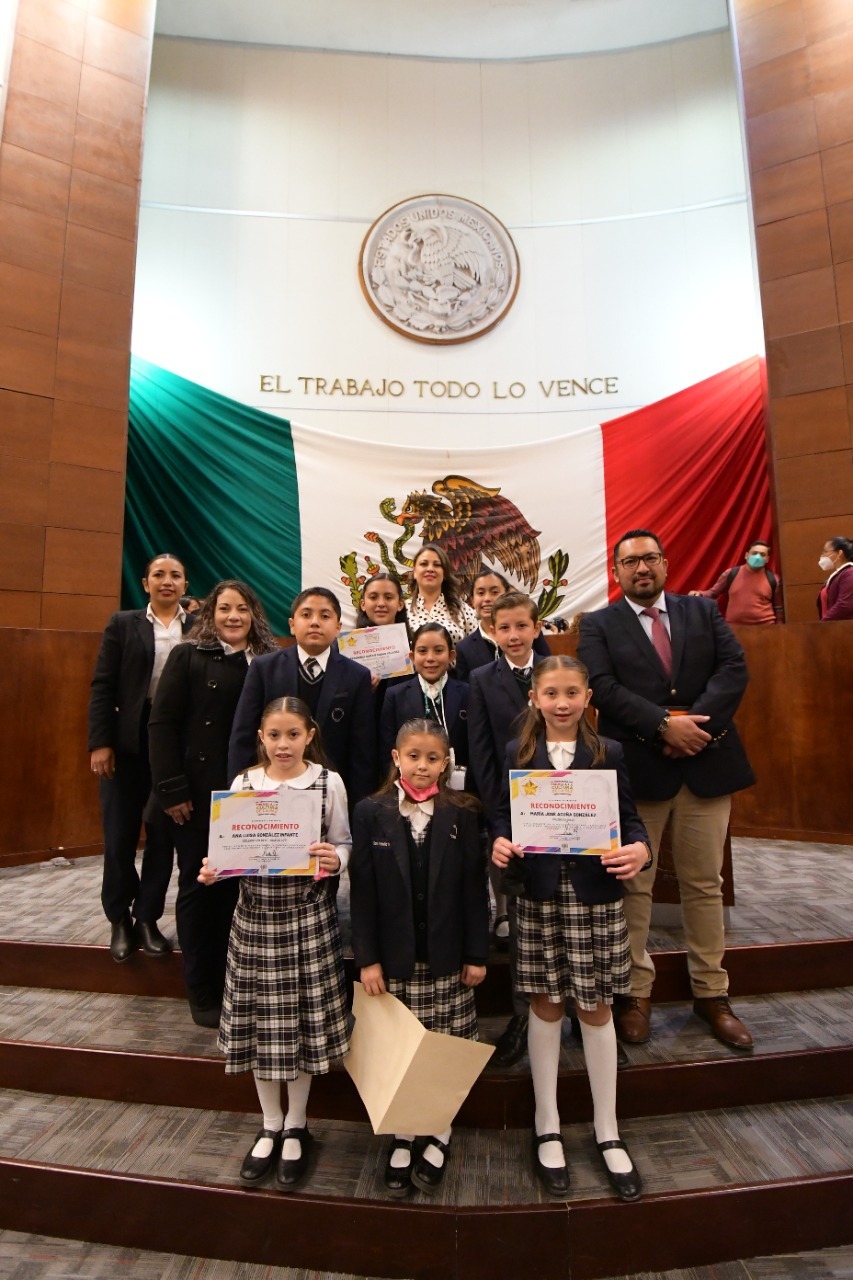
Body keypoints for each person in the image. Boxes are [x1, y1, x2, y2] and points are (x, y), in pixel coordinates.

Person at [578, 530, 755, 1052]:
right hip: (640, 769)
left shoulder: (702, 612)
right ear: (616, 571)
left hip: (707, 759)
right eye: (630, 562)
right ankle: (635, 994)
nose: (641, 569)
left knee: (705, 884)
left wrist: (693, 728)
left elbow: (733, 669)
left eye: (649, 558)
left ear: (665, 563)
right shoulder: (599, 624)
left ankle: (711, 993)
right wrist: (663, 726)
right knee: (636, 887)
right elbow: (603, 689)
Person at [492, 657, 649, 1199]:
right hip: (537, 897)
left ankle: (607, 1128)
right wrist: (499, 840)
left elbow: (631, 822)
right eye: (551, 693)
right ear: (534, 698)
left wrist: (640, 850)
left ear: (588, 699)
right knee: (546, 1003)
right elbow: (500, 816)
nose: (562, 702)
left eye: (572, 693)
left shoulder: (611, 753)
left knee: (596, 1006)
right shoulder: (518, 753)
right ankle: (547, 1122)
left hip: (594, 896)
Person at [199, 697, 351, 1191]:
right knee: (263, 1025)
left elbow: (344, 843)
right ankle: (269, 1123)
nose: (283, 744)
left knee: (301, 1028)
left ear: (310, 736)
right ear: (260, 738)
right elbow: (226, 847)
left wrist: (336, 860)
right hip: (254, 919)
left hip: (307, 918)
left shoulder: (328, 783)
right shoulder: (243, 785)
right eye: (273, 735)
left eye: (292, 735)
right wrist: (212, 866)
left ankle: (297, 1125)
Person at [350, 718, 488, 1196]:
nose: (423, 766)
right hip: (396, 958)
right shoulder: (370, 812)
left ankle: (440, 1129)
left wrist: (476, 952)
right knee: (407, 1047)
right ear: (396, 758)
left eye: (433, 758)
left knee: (445, 1044)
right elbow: (363, 893)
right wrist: (367, 959)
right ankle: (405, 1133)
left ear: (446, 762)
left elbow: (475, 889)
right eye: (414, 756)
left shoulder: (465, 812)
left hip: (449, 956)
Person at [147, 580, 278, 1026]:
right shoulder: (188, 655)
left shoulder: (266, 661)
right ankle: (201, 988)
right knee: (199, 886)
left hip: (251, 795)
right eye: (224, 609)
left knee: (236, 894)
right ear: (210, 614)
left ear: (254, 613)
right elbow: (161, 723)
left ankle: (234, 983)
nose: (233, 617)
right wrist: (171, 789)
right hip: (197, 796)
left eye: (242, 608)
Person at [88, 552, 192, 962]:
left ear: (186, 585)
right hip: (127, 741)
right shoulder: (122, 624)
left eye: (176, 576)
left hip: (172, 744)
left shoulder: (198, 625)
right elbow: (102, 686)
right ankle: (120, 919)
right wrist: (101, 742)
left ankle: (147, 918)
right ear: (146, 583)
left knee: (162, 837)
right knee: (118, 837)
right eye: (159, 575)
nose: (167, 581)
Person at [467, 591, 547, 1066]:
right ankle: (524, 1016)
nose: (514, 635)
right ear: (493, 632)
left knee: (564, 915)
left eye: (522, 626)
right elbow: (481, 756)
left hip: (562, 817)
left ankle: (582, 1013)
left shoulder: (559, 671)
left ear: (537, 627)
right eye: (505, 628)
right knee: (522, 922)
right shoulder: (481, 679)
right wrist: (499, 821)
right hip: (512, 819)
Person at [228, 587, 375, 807]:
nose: (315, 622)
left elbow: (362, 750)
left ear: (338, 628)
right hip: (269, 792)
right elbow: (243, 736)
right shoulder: (263, 668)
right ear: (292, 625)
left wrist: (359, 807)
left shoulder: (357, 675)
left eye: (324, 616)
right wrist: (237, 799)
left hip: (331, 795)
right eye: (306, 615)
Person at [379, 623, 469, 776]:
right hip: (408, 786)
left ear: (451, 655)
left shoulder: (468, 693)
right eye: (422, 651)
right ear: (412, 657)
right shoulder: (395, 696)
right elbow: (387, 749)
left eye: (439, 651)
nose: (430, 658)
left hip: (458, 788)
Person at [455, 568, 550, 681]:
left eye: (494, 592)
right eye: (480, 593)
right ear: (472, 600)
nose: (487, 599)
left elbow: (547, 668)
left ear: (506, 594)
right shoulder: (464, 648)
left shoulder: (529, 634)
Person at [355, 572, 413, 742]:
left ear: (400, 604)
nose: (381, 603)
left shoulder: (415, 648)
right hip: (363, 735)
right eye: (373, 597)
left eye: (388, 597)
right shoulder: (346, 648)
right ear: (363, 604)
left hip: (403, 734)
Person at [689, 540, 781, 625]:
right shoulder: (730, 574)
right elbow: (713, 593)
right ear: (746, 555)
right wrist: (699, 594)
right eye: (754, 553)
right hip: (735, 629)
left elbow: (779, 607)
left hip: (766, 629)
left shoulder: (773, 579)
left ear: (767, 559)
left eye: (762, 554)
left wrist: (780, 629)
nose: (757, 557)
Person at [405, 543, 478, 645]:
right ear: (414, 572)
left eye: (437, 565)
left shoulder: (464, 610)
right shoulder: (402, 610)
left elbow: (476, 651)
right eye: (424, 564)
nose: (430, 569)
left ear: (444, 574)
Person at [817, 536, 853, 620]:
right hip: (833, 629)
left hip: (843, 629)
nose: (822, 556)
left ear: (839, 553)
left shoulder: (849, 573)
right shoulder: (839, 574)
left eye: (825, 552)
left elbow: (844, 605)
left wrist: (823, 624)